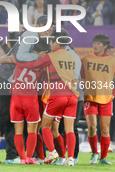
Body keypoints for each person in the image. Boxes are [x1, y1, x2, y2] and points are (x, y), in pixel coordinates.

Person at [19, 31, 79, 166]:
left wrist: (19, 63)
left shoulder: (51, 56)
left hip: (57, 94)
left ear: (56, 42)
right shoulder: (71, 56)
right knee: (69, 129)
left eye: (51, 42)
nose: (50, 45)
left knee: (45, 126)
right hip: (72, 95)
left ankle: (52, 151)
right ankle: (70, 159)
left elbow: (34, 65)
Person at [9, 39, 51, 164]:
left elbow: (10, 58)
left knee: (18, 131)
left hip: (15, 98)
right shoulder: (41, 64)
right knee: (32, 130)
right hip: (30, 99)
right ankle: (29, 157)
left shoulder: (19, 60)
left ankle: (22, 159)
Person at [81, 34, 115, 165]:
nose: (95, 45)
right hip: (90, 97)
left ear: (105, 46)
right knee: (91, 126)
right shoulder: (86, 59)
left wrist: (113, 93)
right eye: (94, 43)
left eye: (99, 43)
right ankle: (94, 153)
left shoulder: (112, 61)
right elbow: (81, 77)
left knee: (105, 128)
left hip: (106, 98)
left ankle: (103, 158)